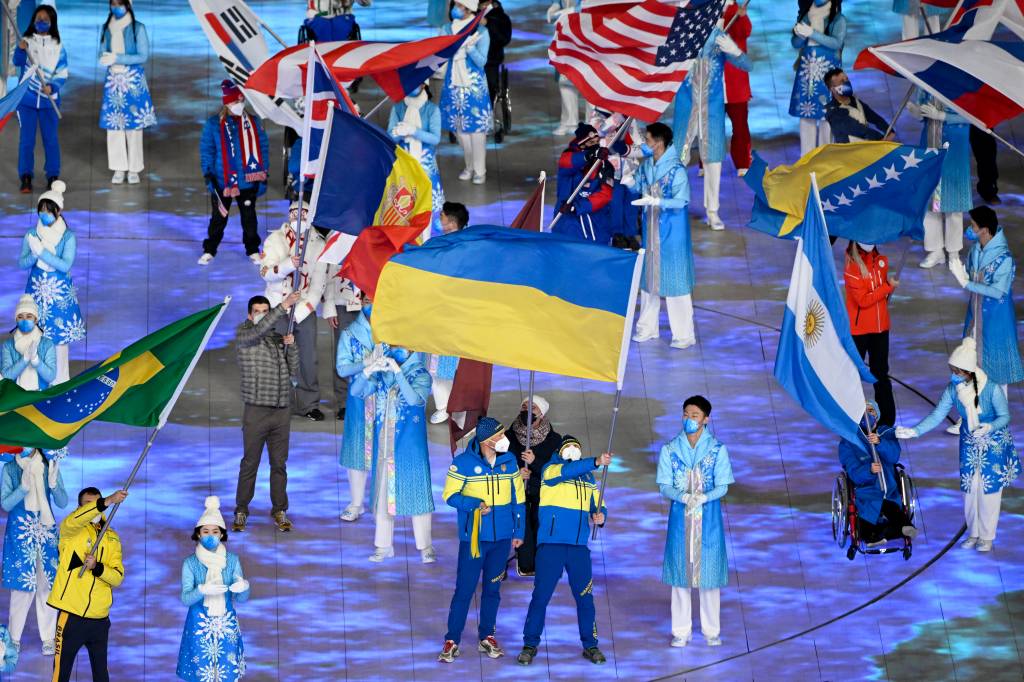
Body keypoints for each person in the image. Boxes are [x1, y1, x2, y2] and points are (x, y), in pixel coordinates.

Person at [897, 337, 1019, 552]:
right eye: (952, 371)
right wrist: (915, 431)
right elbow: (938, 414)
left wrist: (989, 427)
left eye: (957, 371)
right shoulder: (953, 390)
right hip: (970, 444)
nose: (953, 375)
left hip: (994, 443)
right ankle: (973, 533)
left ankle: (987, 536)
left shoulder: (991, 390)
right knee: (970, 488)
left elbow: (1004, 416)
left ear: (968, 371)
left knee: (988, 489)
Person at [438, 417, 525, 663]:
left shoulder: (509, 462)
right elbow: (450, 495)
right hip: (474, 539)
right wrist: (473, 505)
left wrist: (518, 532)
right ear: (487, 440)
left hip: (502, 540)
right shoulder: (462, 463)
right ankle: (452, 638)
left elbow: (519, 500)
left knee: (493, 589)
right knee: (464, 590)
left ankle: (487, 635)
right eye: (499, 435)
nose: (504, 439)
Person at [517, 437, 609, 666]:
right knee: (541, 597)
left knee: (585, 598)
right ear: (560, 451)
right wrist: (596, 461)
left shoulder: (588, 479)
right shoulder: (551, 470)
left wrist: (601, 515)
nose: (573, 450)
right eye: (569, 447)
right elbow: (571, 470)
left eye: (577, 447)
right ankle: (530, 644)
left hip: (578, 549)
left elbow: (598, 503)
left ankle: (591, 645)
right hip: (551, 547)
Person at [656, 396, 733, 648]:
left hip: (708, 520)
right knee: (680, 578)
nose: (689, 419)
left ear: (706, 419)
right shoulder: (670, 449)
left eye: (695, 415)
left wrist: (704, 497)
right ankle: (681, 631)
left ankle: (711, 631)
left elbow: (723, 485)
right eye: (686, 414)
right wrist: (683, 496)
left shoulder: (717, 449)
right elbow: (664, 485)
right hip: (680, 520)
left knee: (709, 579)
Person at [672, 15, 751, 231]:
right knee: (679, 156)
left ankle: (713, 211)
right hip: (686, 107)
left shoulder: (719, 37)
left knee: (713, 159)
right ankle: (677, 205)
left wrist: (733, 50)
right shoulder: (683, 32)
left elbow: (747, 64)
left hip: (712, 109)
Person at [360, 345, 436, 563]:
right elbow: (357, 392)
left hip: (410, 448)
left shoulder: (421, 374)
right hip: (385, 446)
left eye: (397, 345)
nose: (393, 349)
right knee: (384, 496)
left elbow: (414, 401)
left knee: (417, 495)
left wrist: (398, 372)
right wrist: (367, 371)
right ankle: (384, 546)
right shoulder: (384, 373)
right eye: (392, 345)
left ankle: (425, 546)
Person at [258, 202, 333, 421]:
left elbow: (318, 284)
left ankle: (308, 404)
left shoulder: (318, 244)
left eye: (303, 214)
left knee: (308, 359)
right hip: (277, 306)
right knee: (276, 357)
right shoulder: (274, 240)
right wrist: (288, 264)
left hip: (304, 309)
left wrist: (300, 313)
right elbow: (266, 274)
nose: (298, 218)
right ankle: (275, 403)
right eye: (295, 214)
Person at [233, 293, 301, 534]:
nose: (262, 314)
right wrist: (282, 307)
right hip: (256, 410)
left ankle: (279, 509)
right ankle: (241, 509)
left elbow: (293, 371)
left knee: (279, 464)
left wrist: (291, 346)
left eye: (266, 310)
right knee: (250, 462)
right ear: (250, 315)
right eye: (258, 311)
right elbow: (258, 330)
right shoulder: (244, 334)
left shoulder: (275, 338)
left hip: (281, 411)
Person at [48, 487, 128, 682]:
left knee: (101, 675)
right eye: (88, 504)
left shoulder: (112, 536)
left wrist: (97, 567)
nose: (94, 508)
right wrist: (106, 501)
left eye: (97, 503)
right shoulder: (70, 529)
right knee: (61, 673)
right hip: (71, 615)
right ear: (79, 507)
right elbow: (75, 520)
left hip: (100, 619)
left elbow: (117, 577)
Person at [631, 122, 696, 349]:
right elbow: (638, 184)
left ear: (658, 143)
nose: (645, 144)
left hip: (671, 234)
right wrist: (627, 178)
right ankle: (647, 328)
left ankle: (684, 335)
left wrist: (658, 201)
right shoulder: (648, 164)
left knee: (675, 284)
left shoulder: (676, 170)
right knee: (649, 282)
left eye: (647, 140)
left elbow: (682, 200)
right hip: (651, 231)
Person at [948, 206, 1024, 392]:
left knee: (997, 376)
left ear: (984, 229)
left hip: (997, 321)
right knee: (974, 369)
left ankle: (999, 417)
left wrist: (966, 283)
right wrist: (963, 272)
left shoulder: (1004, 258)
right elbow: (972, 276)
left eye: (973, 225)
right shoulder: (976, 250)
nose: (969, 229)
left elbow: (998, 291)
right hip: (975, 318)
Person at [176, 496, 250, 682]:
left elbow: (241, 599)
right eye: (206, 531)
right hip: (199, 625)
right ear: (198, 534)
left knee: (227, 673)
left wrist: (243, 587)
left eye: (215, 531)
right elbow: (185, 599)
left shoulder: (232, 560)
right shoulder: (190, 563)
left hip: (227, 624)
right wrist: (202, 589)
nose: (210, 535)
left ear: (221, 534)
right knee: (201, 673)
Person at [18, 180, 85, 384]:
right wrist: (34, 255)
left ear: (58, 211)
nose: (44, 214)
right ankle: (35, 380)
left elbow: (65, 265)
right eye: (41, 210)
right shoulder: (31, 234)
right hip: (37, 291)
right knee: (36, 336)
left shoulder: (68, 237)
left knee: (59, 340)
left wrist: (42, 253)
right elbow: (22, 262)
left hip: (58, 295)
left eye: (48, 211)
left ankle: (61, 381)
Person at [1, 447, 66, 655]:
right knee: (22, 586)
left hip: (46, 529)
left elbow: (63, 502)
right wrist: (22, 488)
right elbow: (5, 504)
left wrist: (54, 485)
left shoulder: (49, 465)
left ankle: (48, 638)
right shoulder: (10, 468)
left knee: (47, 583)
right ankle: (13, 640)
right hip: (21, 530)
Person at [198, 80, 269, 266]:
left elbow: (263, 148)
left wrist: (263, 176)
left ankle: (253, 249)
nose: (239, 105)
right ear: (227, 103)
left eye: (241, 101)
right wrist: (208, 175)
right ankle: (210, 249)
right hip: (222, 183)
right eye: (235, 102)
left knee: (249, 218)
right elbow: (207, 151)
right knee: (218, 218)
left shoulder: (253, 122)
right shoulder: (214, 124)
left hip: (247, 181)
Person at [839, 403, 916, 547]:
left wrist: (880, 443)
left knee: (890, 506)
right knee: (868, 529)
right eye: (864, 411)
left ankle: (894, 530)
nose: (868, 414)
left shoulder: (886, 433)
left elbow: (894, 456)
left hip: (890, 491)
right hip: (867, 493)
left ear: (877, 414)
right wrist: (868, 470)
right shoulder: (850, 441)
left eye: (871, 410)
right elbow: (852, 471)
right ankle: (895, 531)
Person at [99, 0, 155, 185]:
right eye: (113, 3)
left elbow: (143, 55)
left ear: (128, 5)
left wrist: (118, 57)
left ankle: (134, 169)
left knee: (134, 126)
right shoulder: (106, 27)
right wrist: (105, 58)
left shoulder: (138, 28)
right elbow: (101, 52)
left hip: (133, 80)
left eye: (119, 3)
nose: (116, 7)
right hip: (113, 80)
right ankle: (118, 167)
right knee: (114, 126)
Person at [504, 396, 561, 577]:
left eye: (532, 408)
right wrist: (518, 473)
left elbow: (556, 470)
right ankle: (526, 564)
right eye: (524, 406)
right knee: (522, 525)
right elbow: (500, 463)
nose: (526, 410)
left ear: (541, 414)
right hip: (517, 490)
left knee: (541, 524)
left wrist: (535, 463)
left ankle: (542, 563)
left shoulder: (554, 440)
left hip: (541, 490)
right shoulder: (508, 436)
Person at [910, 94, 968, 269]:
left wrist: (944, 116)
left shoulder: (963, 82)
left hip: (955, 144)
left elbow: (972, 116)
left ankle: (954, 253)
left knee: (954, 201)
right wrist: (918, 113)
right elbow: (921, 105)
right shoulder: (925, 80)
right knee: (929, 198)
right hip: (929, 143)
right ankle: (935, 250)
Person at [13, 4, 67, 194]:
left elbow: (62, 72)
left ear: (52, 22)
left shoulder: (58, 45)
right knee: (26, 140)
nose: (41, 22)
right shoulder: (26, 41)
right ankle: (26, 177)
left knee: (50, 140)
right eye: (38, 19)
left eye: (45, 19)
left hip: (48, 101)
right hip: (27, 100)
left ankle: (53, 175)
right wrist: (20, 50)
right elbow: (17, 62)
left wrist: (53, 86)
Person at [844, 241, 898, 427]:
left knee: (881, 373)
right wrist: (887, 287)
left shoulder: (882, 261)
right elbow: (863, 300)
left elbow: (881, 295)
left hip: (881, 328)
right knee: (854, 374)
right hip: (859, 331)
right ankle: (850, 416)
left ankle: (887, 421)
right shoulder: (852, 267)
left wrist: (887, 288)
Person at [441, 0, 491, 185]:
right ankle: (469, 166)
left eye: (459, 5)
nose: (455, 8)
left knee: (476, 132)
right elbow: (440, 53)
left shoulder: (481, 32)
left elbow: (481, 62)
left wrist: (470, 48)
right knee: (460, 130)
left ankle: (480, 170)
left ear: (469, 8)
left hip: (474, 88)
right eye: (455, 5)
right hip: (453, 84)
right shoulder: (447, 28)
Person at [790, 0, 847, 155]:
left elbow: (836, 43)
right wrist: (801, 35)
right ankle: (805, 160)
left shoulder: (838, 19)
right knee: (806, 118)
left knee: (826, 119)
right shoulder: (807, 16)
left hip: (828, 77)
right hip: (807, 76)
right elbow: (795, 43)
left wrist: (812, 33)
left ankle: (825, 161)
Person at [388, 81, 444, 238]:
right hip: (403, 164)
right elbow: (389, 136)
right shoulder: (398, 108)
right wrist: (397, 132)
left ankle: (425, 239)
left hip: (425, 165)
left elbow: (435, 138)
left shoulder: (432, 110)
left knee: (426, 202)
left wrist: (414, 131)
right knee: (404, 201)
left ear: (424, 86)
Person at [553, 123, 614, 243]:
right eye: (591, 143)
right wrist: (589, 155)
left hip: (595, 229)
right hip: (565, 225)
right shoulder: (568, 158)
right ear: (581, 144)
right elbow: (568, 163)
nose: (596, 145)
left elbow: (605, 195)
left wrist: (577, 207)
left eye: (597, 141)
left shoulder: (604, 165)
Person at [546, 0, 586, 135]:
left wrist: (575, 10)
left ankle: (593, 124)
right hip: (565, 37)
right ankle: (569, 122)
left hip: (587, 37)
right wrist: (554, 7)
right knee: (565, 80)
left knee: (589, 84)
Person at [1, 294, 56, 390]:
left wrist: (36, 361)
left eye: (29, 316)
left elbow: (51, 376)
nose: (24, 320)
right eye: (20, 317)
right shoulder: (8, 346)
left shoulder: (47, 344)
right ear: (16, 320)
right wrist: (25, 359)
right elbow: (6, 377)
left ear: (35, 320)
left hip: (40, 395)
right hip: (16, 396)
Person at [723, 0, 752, 176]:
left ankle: (742, 162)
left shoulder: (736, 11)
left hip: (735, 84)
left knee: (740, 127)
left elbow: (745, 31)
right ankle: (705, 163)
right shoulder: (704, 9)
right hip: (713, 84)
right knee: (709, 128)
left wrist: (741, 17)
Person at [823, 69, 892, 144]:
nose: (847, 82)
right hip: (851, 152)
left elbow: (875, 118)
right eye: (842, 81)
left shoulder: (856, 101)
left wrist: (889, 131)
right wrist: (881, 139)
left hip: (867, 148)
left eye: (847, 79)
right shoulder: (832, 111)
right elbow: (858, 129)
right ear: (833, 89)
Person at [479, 0, 511, 107]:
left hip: (490, 62)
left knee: (489, 89)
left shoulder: (500, 17)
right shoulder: (467, 13)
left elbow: (504, 39)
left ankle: (487, 115)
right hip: (468, 61)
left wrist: (488, 24)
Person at [970, 126, 999, 205]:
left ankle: (989, 188)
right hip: (961, 120)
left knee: (988, 156)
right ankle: (987, 189)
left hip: (982, 124)